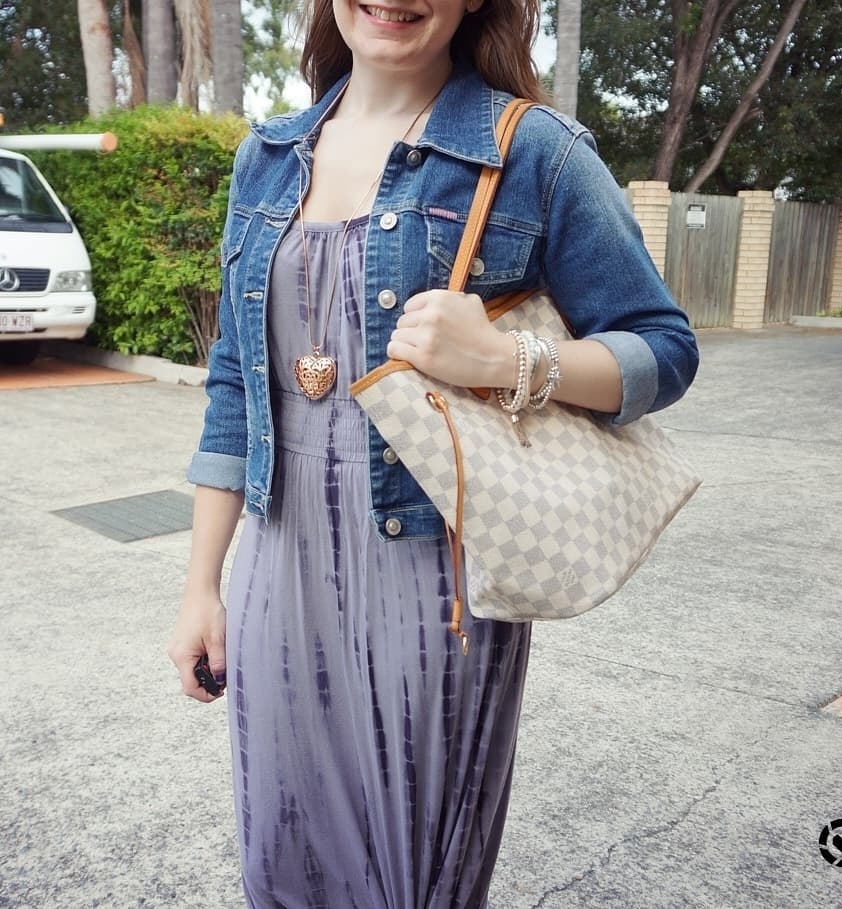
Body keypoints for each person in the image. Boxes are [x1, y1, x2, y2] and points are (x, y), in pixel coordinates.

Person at [168, 0, 699, 906]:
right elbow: (232, 386)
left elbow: (663, 348)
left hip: (434, 573)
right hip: (277, 558)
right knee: (281, 852)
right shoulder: (265, 157)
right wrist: (201, 586)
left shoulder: (535, 151)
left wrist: (507, 359)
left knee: (415, 872)